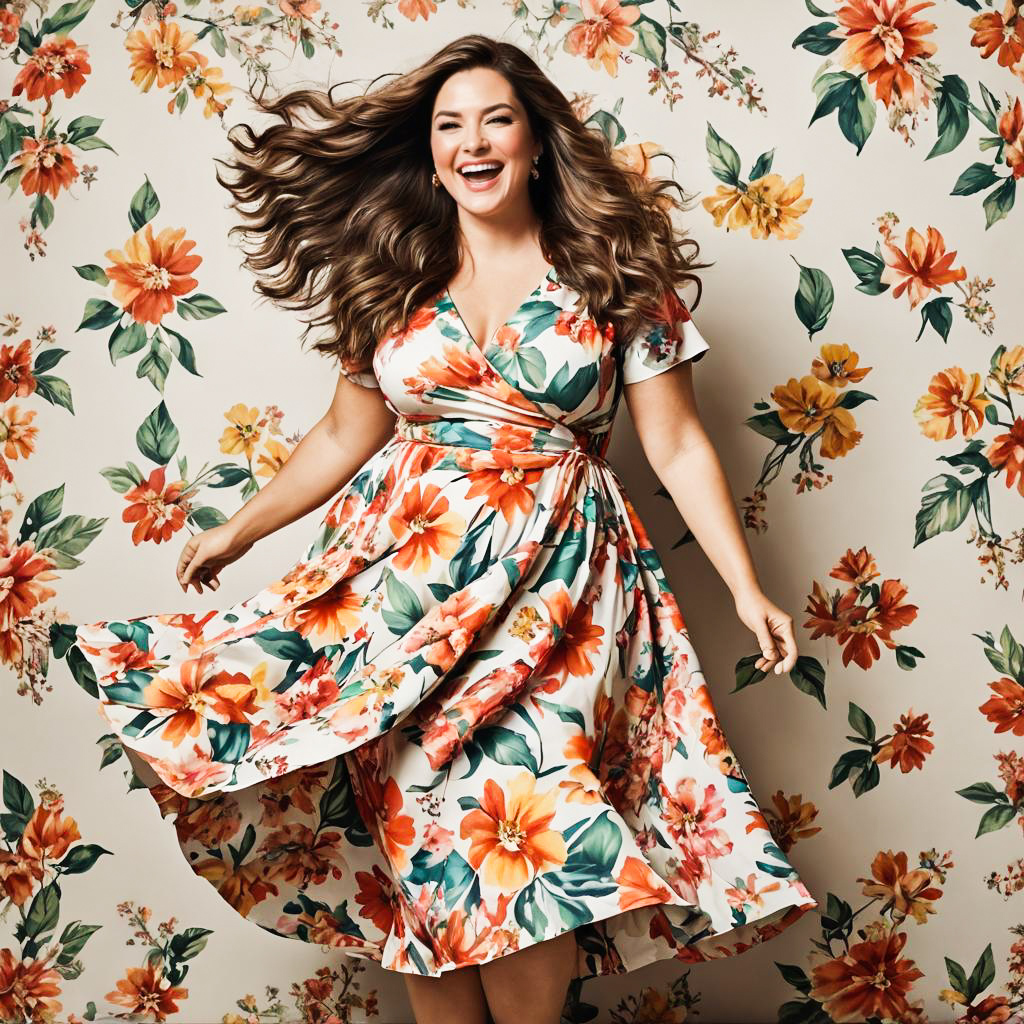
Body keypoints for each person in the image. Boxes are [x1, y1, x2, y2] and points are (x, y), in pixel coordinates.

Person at [49, 33, 818, 1024]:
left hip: (560, 593)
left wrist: (745, 587)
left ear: (536, 142)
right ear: (429, 152)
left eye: (496, 118)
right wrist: (239, 529)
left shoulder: (619, 274)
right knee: (419, 837)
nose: (474, 140)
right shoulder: (397, 274)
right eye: (450, 124)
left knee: (524, 828)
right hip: (404, 592)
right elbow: (343, 432)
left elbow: (675, 447)